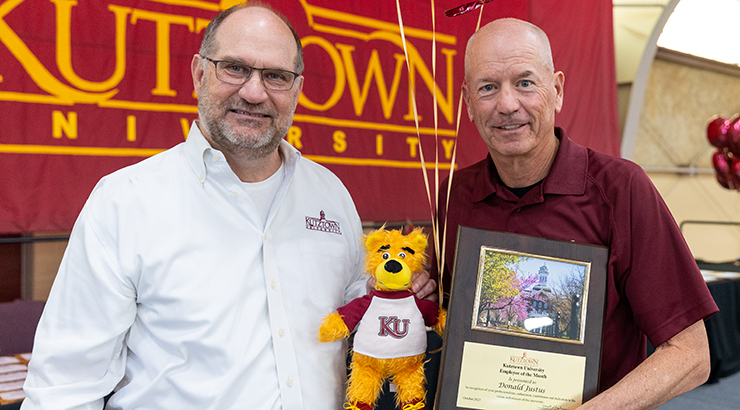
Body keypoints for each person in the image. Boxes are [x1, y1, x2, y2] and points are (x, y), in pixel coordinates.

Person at [21, 3, 435, 409]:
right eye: (235, 68)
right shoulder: (124, 201)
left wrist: (394, 294)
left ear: (296, 90)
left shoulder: (330, 194)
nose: (254, 93)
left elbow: (355, 309)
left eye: (275, 76)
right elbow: (64, 389)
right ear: (200, 74)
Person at [435, 18, 718, 409]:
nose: (507, 104)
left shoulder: (622, 190)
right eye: (488, 87)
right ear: (468, 102)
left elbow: (691, 354)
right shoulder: (454, 196)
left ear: (557, 91)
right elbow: (449, 320)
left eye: (525, 82)